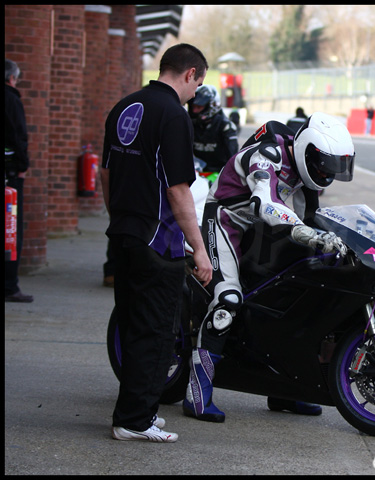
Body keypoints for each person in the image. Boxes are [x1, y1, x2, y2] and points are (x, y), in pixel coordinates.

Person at [184, 112, 355, 423]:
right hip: (226, 221)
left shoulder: (307, 176)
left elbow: (315, 217)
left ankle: (286, 392)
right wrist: (311, 235)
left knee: (297, 297)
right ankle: (197, 393)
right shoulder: (268, 155)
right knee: (227, 300)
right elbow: (265, 204)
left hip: (265, 232)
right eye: (322, 164)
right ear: (306, 149)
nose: (326, 173)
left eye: (332, 167)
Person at [101, 43, 213, 443]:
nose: (195, 93)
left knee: (133, 328)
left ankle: (135, 412)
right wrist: (199, 248)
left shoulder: (124, 106)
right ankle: (134, 421)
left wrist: (119, 219)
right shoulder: (173, 115)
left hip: (125, 235)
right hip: (157, 241)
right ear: (189, 74)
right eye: (197, 84)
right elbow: (179, 190)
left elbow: (106, 174)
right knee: (157, 332)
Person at [5, 59, 33, 303]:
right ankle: (9, 285)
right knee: (11, 229)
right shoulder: (12, 100)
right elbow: (18, 136)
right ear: (12, 78)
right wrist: (22, 165)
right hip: (10, 175)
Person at [187, 84, 239, 173]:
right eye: (193, 107)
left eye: (199, 107)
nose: (194, 111)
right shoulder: (190, 124)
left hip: (220, 174)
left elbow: (233, 159)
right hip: (197, 172)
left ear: (212, 105)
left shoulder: (225, 127)